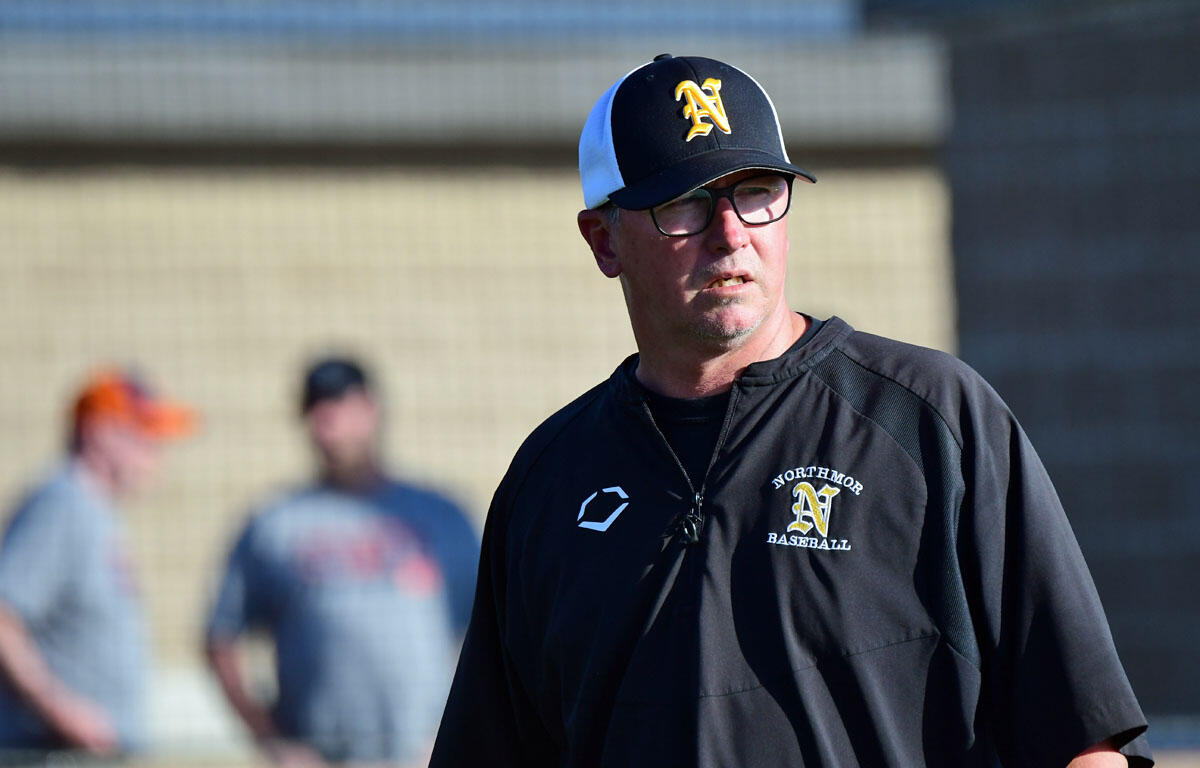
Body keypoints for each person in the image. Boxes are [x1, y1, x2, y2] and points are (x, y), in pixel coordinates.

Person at [429, 54, 1152, 767]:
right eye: (684, 202)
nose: (731, 233)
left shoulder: (931, 418)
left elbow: (1080, 740)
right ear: (604, 240)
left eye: (756, 190)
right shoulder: (550, 480)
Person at [205, 357, 479, 767]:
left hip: (423, 755)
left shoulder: (440, 516)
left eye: (338, 409)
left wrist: (460, 734)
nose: (326, 426)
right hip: (320, 755)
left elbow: (493, 638)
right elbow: (221, 637)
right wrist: (273, 742)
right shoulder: (276, 523)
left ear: (371, 410)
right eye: (315, 413)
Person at [0, 369, 195, 761]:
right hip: (52, 749)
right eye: (144, 434)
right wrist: (62, 709)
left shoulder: (91, 510)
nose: (155, 451)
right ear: (99, 432)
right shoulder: (63, 505)